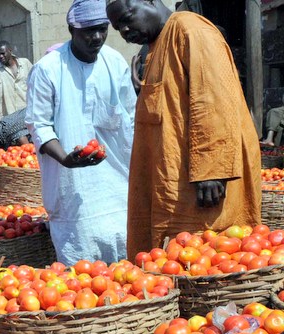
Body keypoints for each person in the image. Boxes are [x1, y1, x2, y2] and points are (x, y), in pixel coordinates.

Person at [107, 0, 261, 256]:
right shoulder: (156, 45)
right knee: (175, 261)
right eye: (117, 27)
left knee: (211, 257)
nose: (124, 31)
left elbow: (212, 98)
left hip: (204, 185)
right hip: (173, 183)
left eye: (127, 18)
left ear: (150, 2)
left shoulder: (190, 31)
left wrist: (211, 171)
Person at [25, 0, 136, 265]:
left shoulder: (114, 62)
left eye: (101, 29)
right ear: (71, 29)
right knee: (81, 271)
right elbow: (38, 124)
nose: (96, 37)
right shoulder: (48, 69)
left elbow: (131, 118)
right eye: (88, 31)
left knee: (127, 267)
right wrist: (64, 158)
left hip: (117, 188)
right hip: (70, 189)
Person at [0, 41, 33, 121]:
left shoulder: (25, 63)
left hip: (27, 112)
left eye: (3, 53)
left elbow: (36, 80)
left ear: (10, 51)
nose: (0, 56)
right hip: (9, 116)